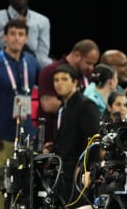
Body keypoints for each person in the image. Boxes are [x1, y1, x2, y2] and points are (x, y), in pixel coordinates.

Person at [0, 19, 41, 209]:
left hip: (28, 134)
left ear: (26, 38)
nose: (17, 38)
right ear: (5, 37)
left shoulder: (31, 61)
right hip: (1, 133)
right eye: (13, 34)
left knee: (28, 182)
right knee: (2, 181)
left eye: (21, 34)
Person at [47, 64, 100, 204]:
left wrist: (85, 168)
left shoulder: (86, 105)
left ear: (75, 82)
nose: (59, 83)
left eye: (64, 79)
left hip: (78, 173)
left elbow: (94, 140)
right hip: (63, 172)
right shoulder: (62, 107)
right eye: (56, 80)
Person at [37, 39, 100, 144]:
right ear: (76, 55)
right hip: (52, 140)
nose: (91, 68)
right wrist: (86, 110)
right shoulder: (50, 71)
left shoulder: (86, 74)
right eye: (88, 63)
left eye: (93, 64)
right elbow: (48, 105)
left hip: (80, 141)